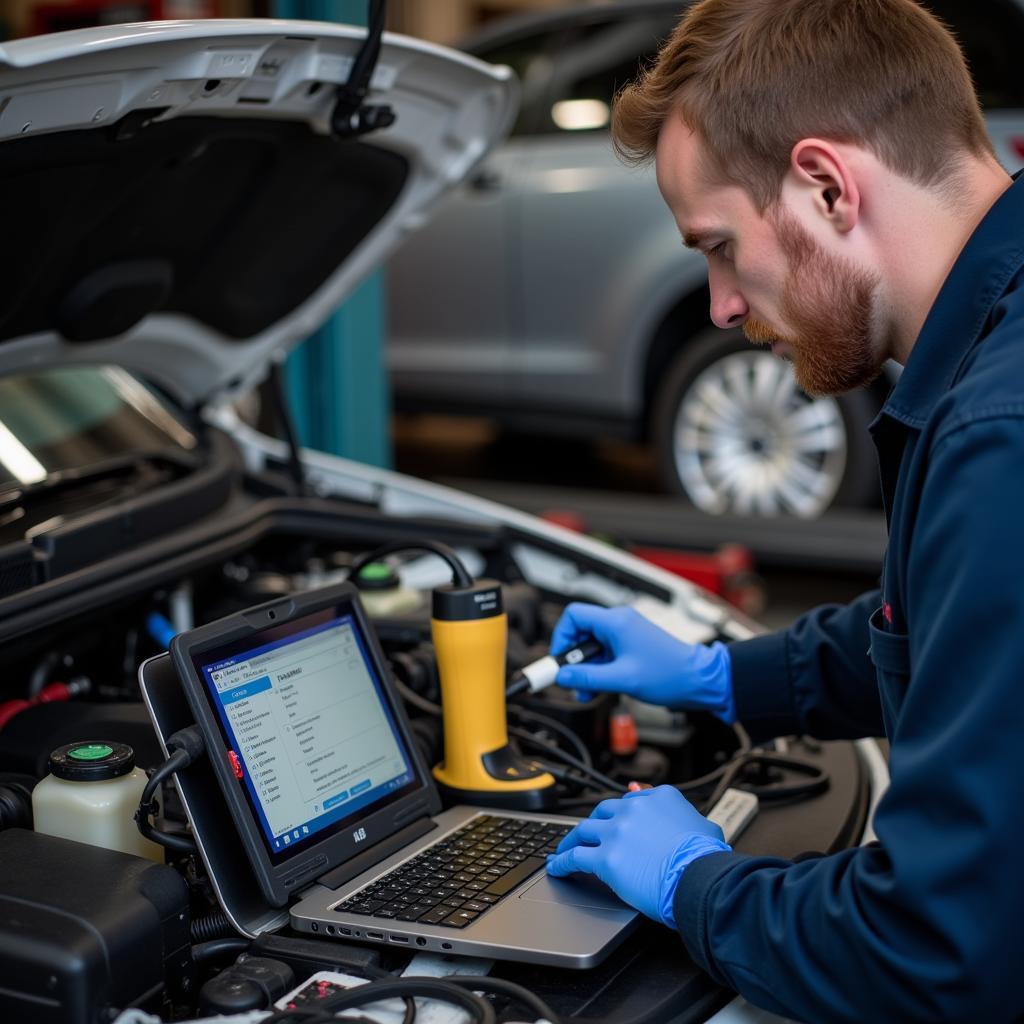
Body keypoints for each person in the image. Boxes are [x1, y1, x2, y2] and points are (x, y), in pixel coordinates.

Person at [543, 0, 1024, 1020]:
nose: (719, 304)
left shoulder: (1000, 433)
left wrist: (697, 886)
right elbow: (945, 631)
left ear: (824, 184)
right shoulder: (995, 348)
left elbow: (936, 954)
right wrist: (719, 676)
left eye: (718, 245)